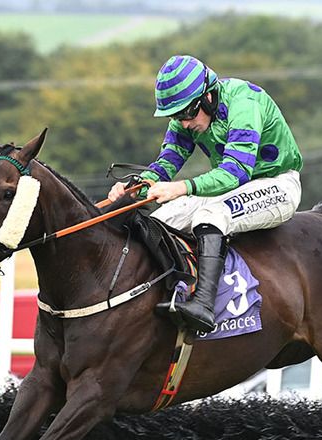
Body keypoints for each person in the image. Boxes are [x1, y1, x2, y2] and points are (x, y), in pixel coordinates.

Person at [109, 54, 304, 333]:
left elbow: (236, 172)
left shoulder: (244, 103)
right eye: (176, 116)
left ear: (208, 97)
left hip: (277, 184)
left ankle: (203, 305)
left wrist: (181, 188)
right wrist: (133, 189)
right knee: (158, 221)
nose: (183, 123)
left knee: (210, 215)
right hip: (231, 190)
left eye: (186, 114)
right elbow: (166, 163)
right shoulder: (187, 115)